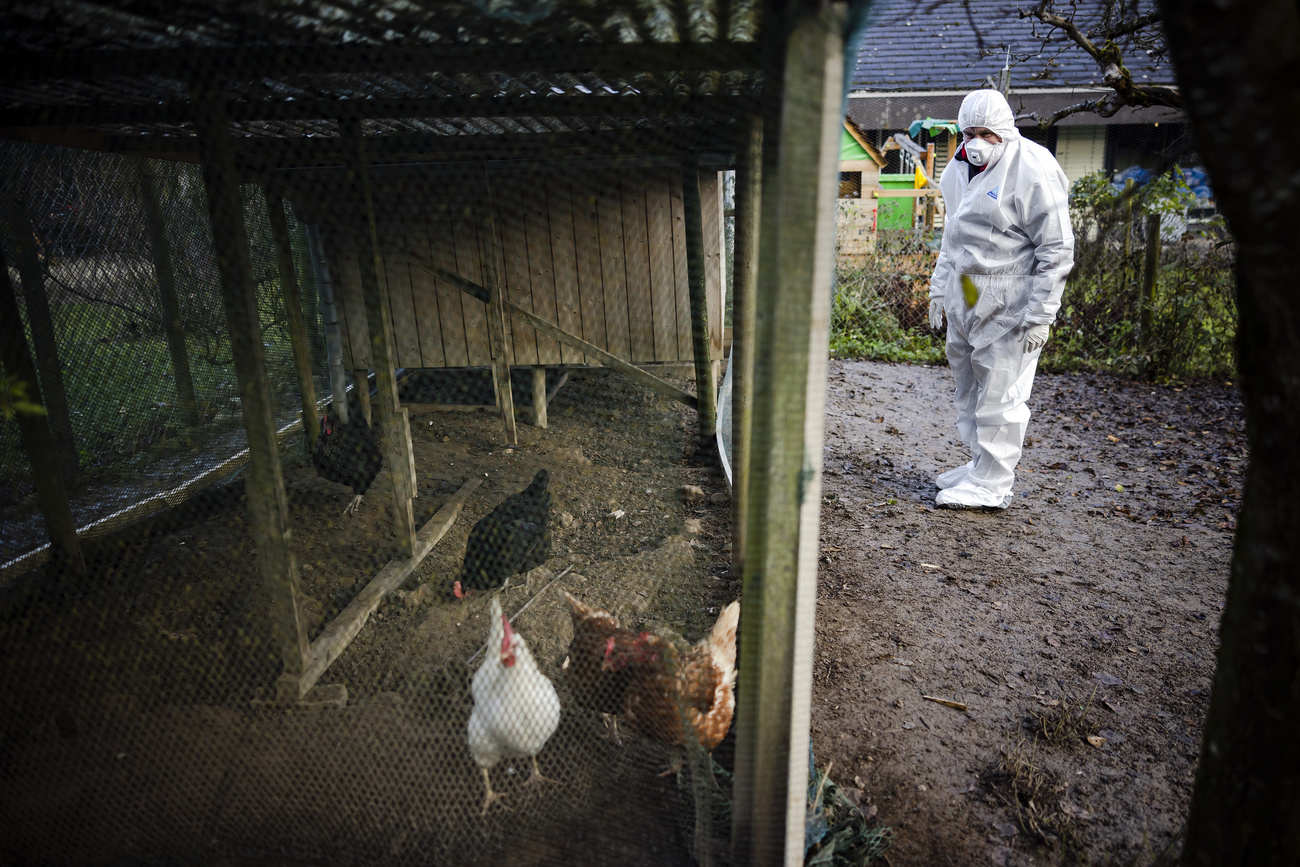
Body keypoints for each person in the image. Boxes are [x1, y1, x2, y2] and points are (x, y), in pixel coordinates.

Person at [927, 89, 1074, 509]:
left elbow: (1057, 249)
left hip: (1012, 303)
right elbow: (952, 235)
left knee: (1002, 393)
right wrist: (940, 287)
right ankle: (980, 465)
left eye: (986, 133)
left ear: (1005, 131)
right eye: (968, 132)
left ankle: (994, 483)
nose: (975, 142)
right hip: (968, 294)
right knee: (969, 385)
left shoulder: (1031, 167)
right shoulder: (957, 170)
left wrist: (1041, 314)